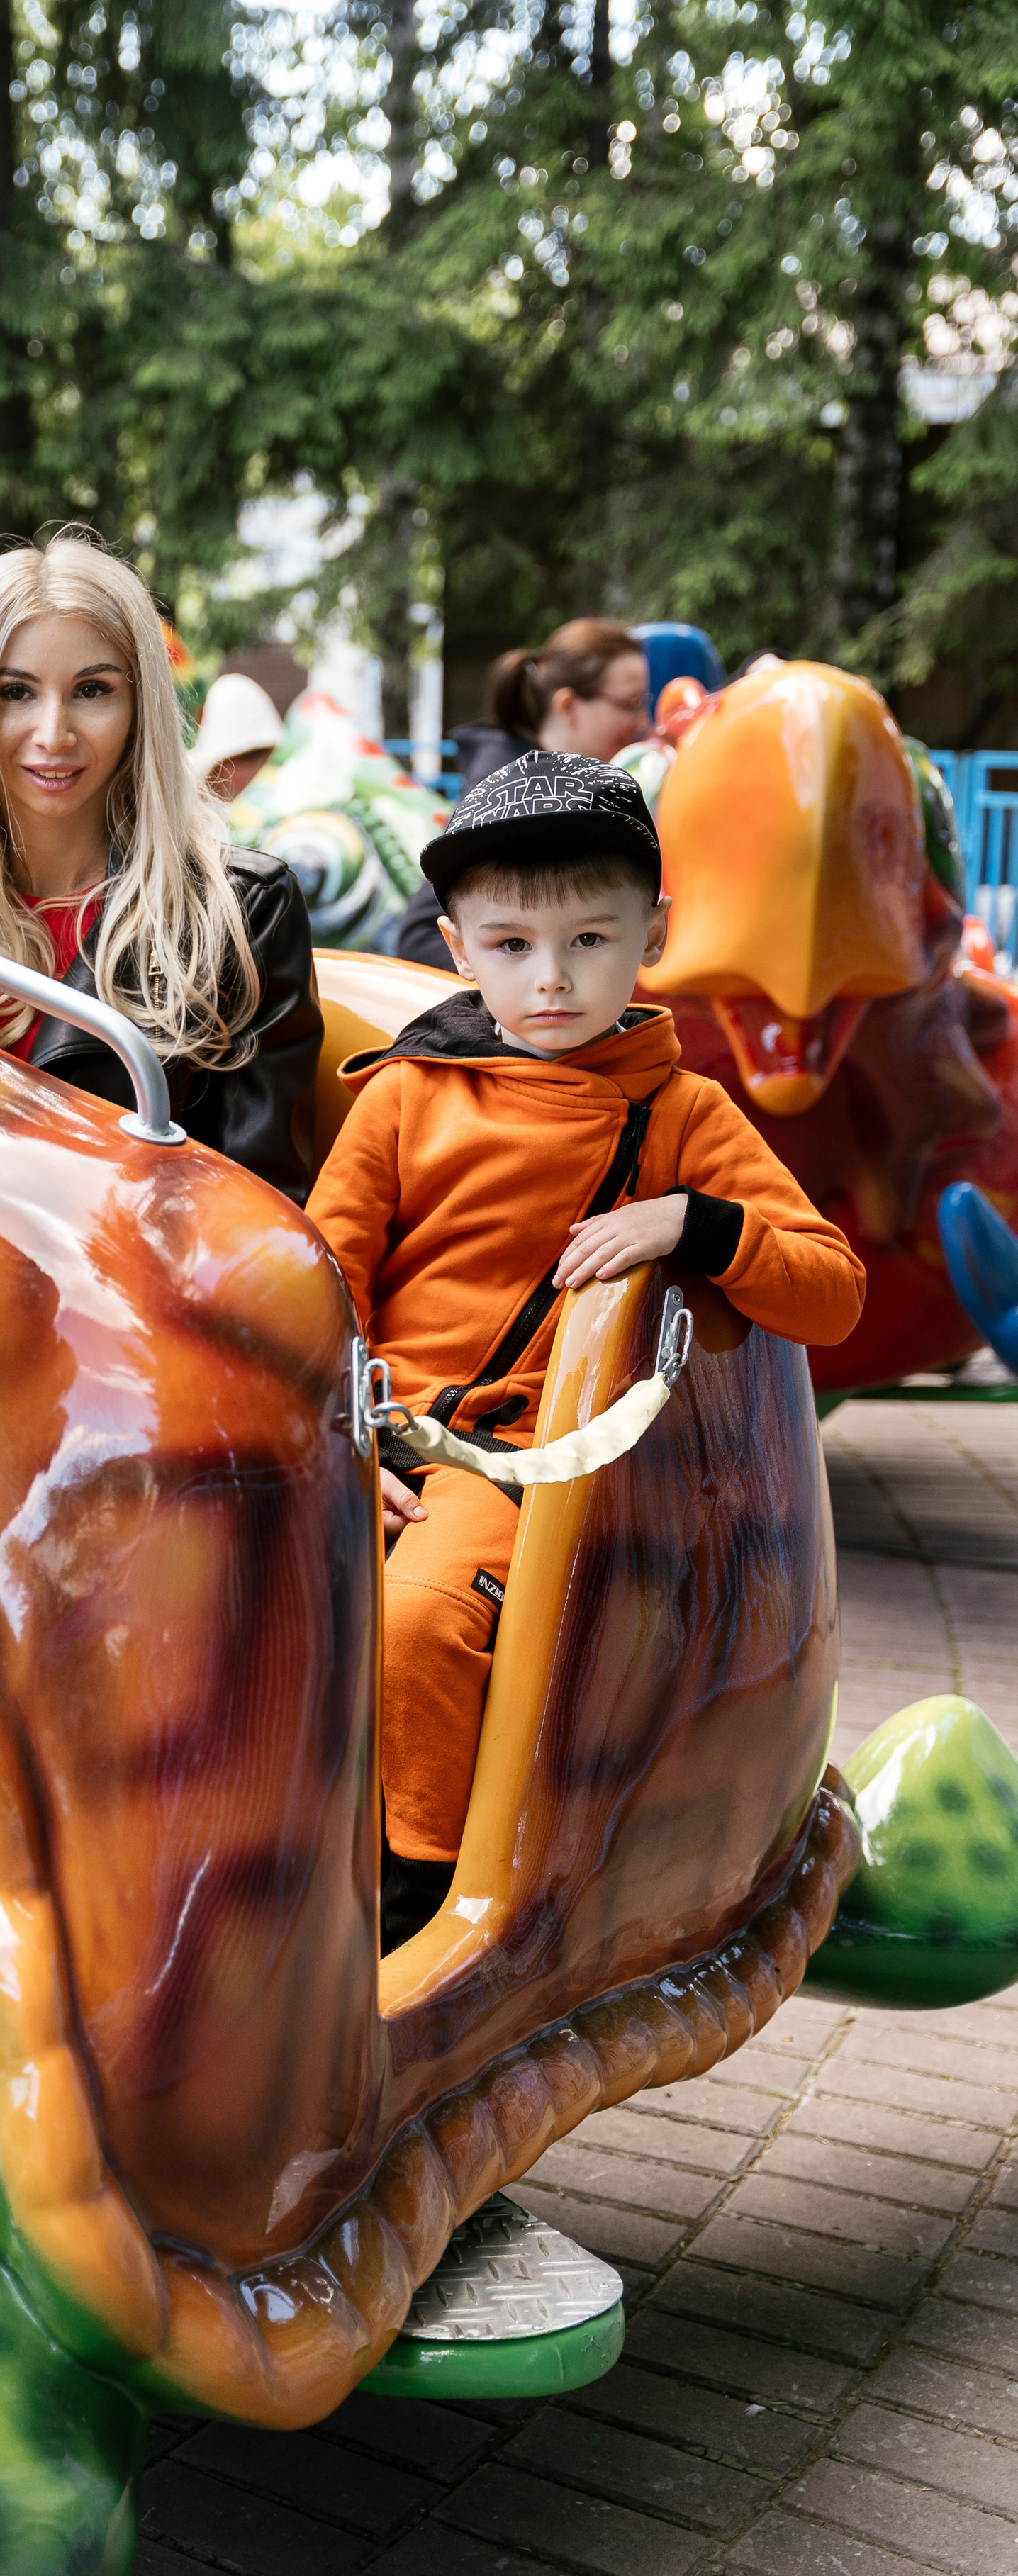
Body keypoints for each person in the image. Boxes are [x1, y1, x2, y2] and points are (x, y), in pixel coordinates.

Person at [307, 754, 866, 1952]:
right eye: (510, 946)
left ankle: (421, 1918)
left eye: (589, 942)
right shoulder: (406, 1097)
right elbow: (318, 1281)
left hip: (530, 1464)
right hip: (379, 1436)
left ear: (650, 935)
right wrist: (340, 1438)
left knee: (415, 1626)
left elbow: (833, 1294)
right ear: (458, 945)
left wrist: (696, 1224)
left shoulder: (688, 1117)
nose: (550, 980)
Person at [0, 534, 323, 1203]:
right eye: (15, 692)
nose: (54, 733)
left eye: (92, 690)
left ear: (140, 708)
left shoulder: (242, 913)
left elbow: (260, 1211)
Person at [395, 617, 651, 970]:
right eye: (629, 703)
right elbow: (420, 939)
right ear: (568, 706)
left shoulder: (560, 782)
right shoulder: (516, 791)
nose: (643, 724)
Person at [193, 671, 284, 804]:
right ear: (223, 765)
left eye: (267, 757)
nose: (261, 768)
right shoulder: (186, 805)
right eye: (250, 758)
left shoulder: (270, 802)